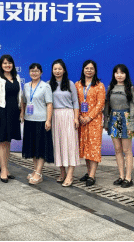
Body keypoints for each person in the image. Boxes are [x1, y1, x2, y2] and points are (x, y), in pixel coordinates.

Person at [103, 64, 134, 189]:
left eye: (122, 73)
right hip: (114, 119)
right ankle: (121, 176)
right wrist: (106, 122)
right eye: (117, 73)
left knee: (127, 150)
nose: (119, 75)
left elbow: (133, 106)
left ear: (126, 75)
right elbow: (107, 107)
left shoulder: (130, 88)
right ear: (114, 74)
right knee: (117, 149)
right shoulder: (110, 88)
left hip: (126, 119)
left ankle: (128, 178)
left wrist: (132, 124)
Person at [0, 55, 23, 183]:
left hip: (14, 112)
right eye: (4, 63)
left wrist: (21, 111)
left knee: (8, 141)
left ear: (13, 64)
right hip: (2, 112)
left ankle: (6, 167)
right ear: (1, 65)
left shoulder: (17, 77)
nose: (7, 65)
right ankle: (3, 169)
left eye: (9, 63)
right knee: (2, 141)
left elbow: (20, 96)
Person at [49, 59, 80, 187]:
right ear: (52, 70)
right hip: (55, 116)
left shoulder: (70, 84)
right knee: (58, 145)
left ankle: (70, 174)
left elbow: (76, 102)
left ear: (64, 70)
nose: (57, 71)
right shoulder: (49, 84)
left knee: (70, 145)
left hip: (68, 115)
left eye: (59, 69)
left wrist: (76, 118)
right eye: (55, 69)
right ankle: (62, 172)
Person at [21, 63, 54, 185]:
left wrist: (48, 120)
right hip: (29, 120)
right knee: (33, 147)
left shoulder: (45, 86)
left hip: (41, 121)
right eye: (32, 71)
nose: (34, 73)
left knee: (41, 148)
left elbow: (49, 104)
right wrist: (22, 113)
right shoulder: (26, 86)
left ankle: (39, 173)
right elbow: (24, 101)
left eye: (36, 71)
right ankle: (35, 170)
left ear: (41, 72)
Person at [75, 60, 106, 187]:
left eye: (91, 68)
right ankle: (88, 172)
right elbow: (74, 102)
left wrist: (89, 117)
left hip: (94, 122)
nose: (89, 70)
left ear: (95, 70)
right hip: (81, 121)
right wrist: (79, 116)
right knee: (85, 148)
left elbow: (100, 104)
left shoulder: (99, 85)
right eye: (86, 68)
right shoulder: (77, 85)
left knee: (93, 148)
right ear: (83, 70)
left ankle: (92, 175)